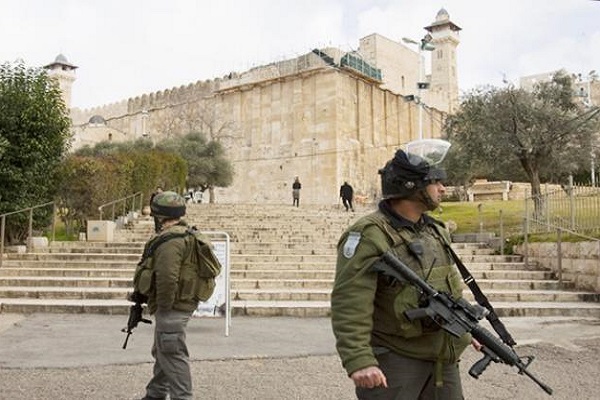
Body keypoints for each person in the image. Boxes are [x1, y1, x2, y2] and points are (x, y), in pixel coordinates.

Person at [331, 140, 472, 400]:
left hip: (442, 359)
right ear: (412, 186)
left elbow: (450, 285)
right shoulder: (370, 234)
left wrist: (466, 326)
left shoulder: (435, 231)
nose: (442, 188)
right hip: (396, 360)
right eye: (435, 182)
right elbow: (350, 301)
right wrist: (359, 359)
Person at [138, 191, 203, 400]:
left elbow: (167, 277)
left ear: (160, 216)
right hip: (178, 304)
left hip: (172, 307)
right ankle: (154, 394)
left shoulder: (171, 241)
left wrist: (163, 308)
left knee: (172, 354)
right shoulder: (182, 234)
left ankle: (182, 397)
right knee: (163, 352)